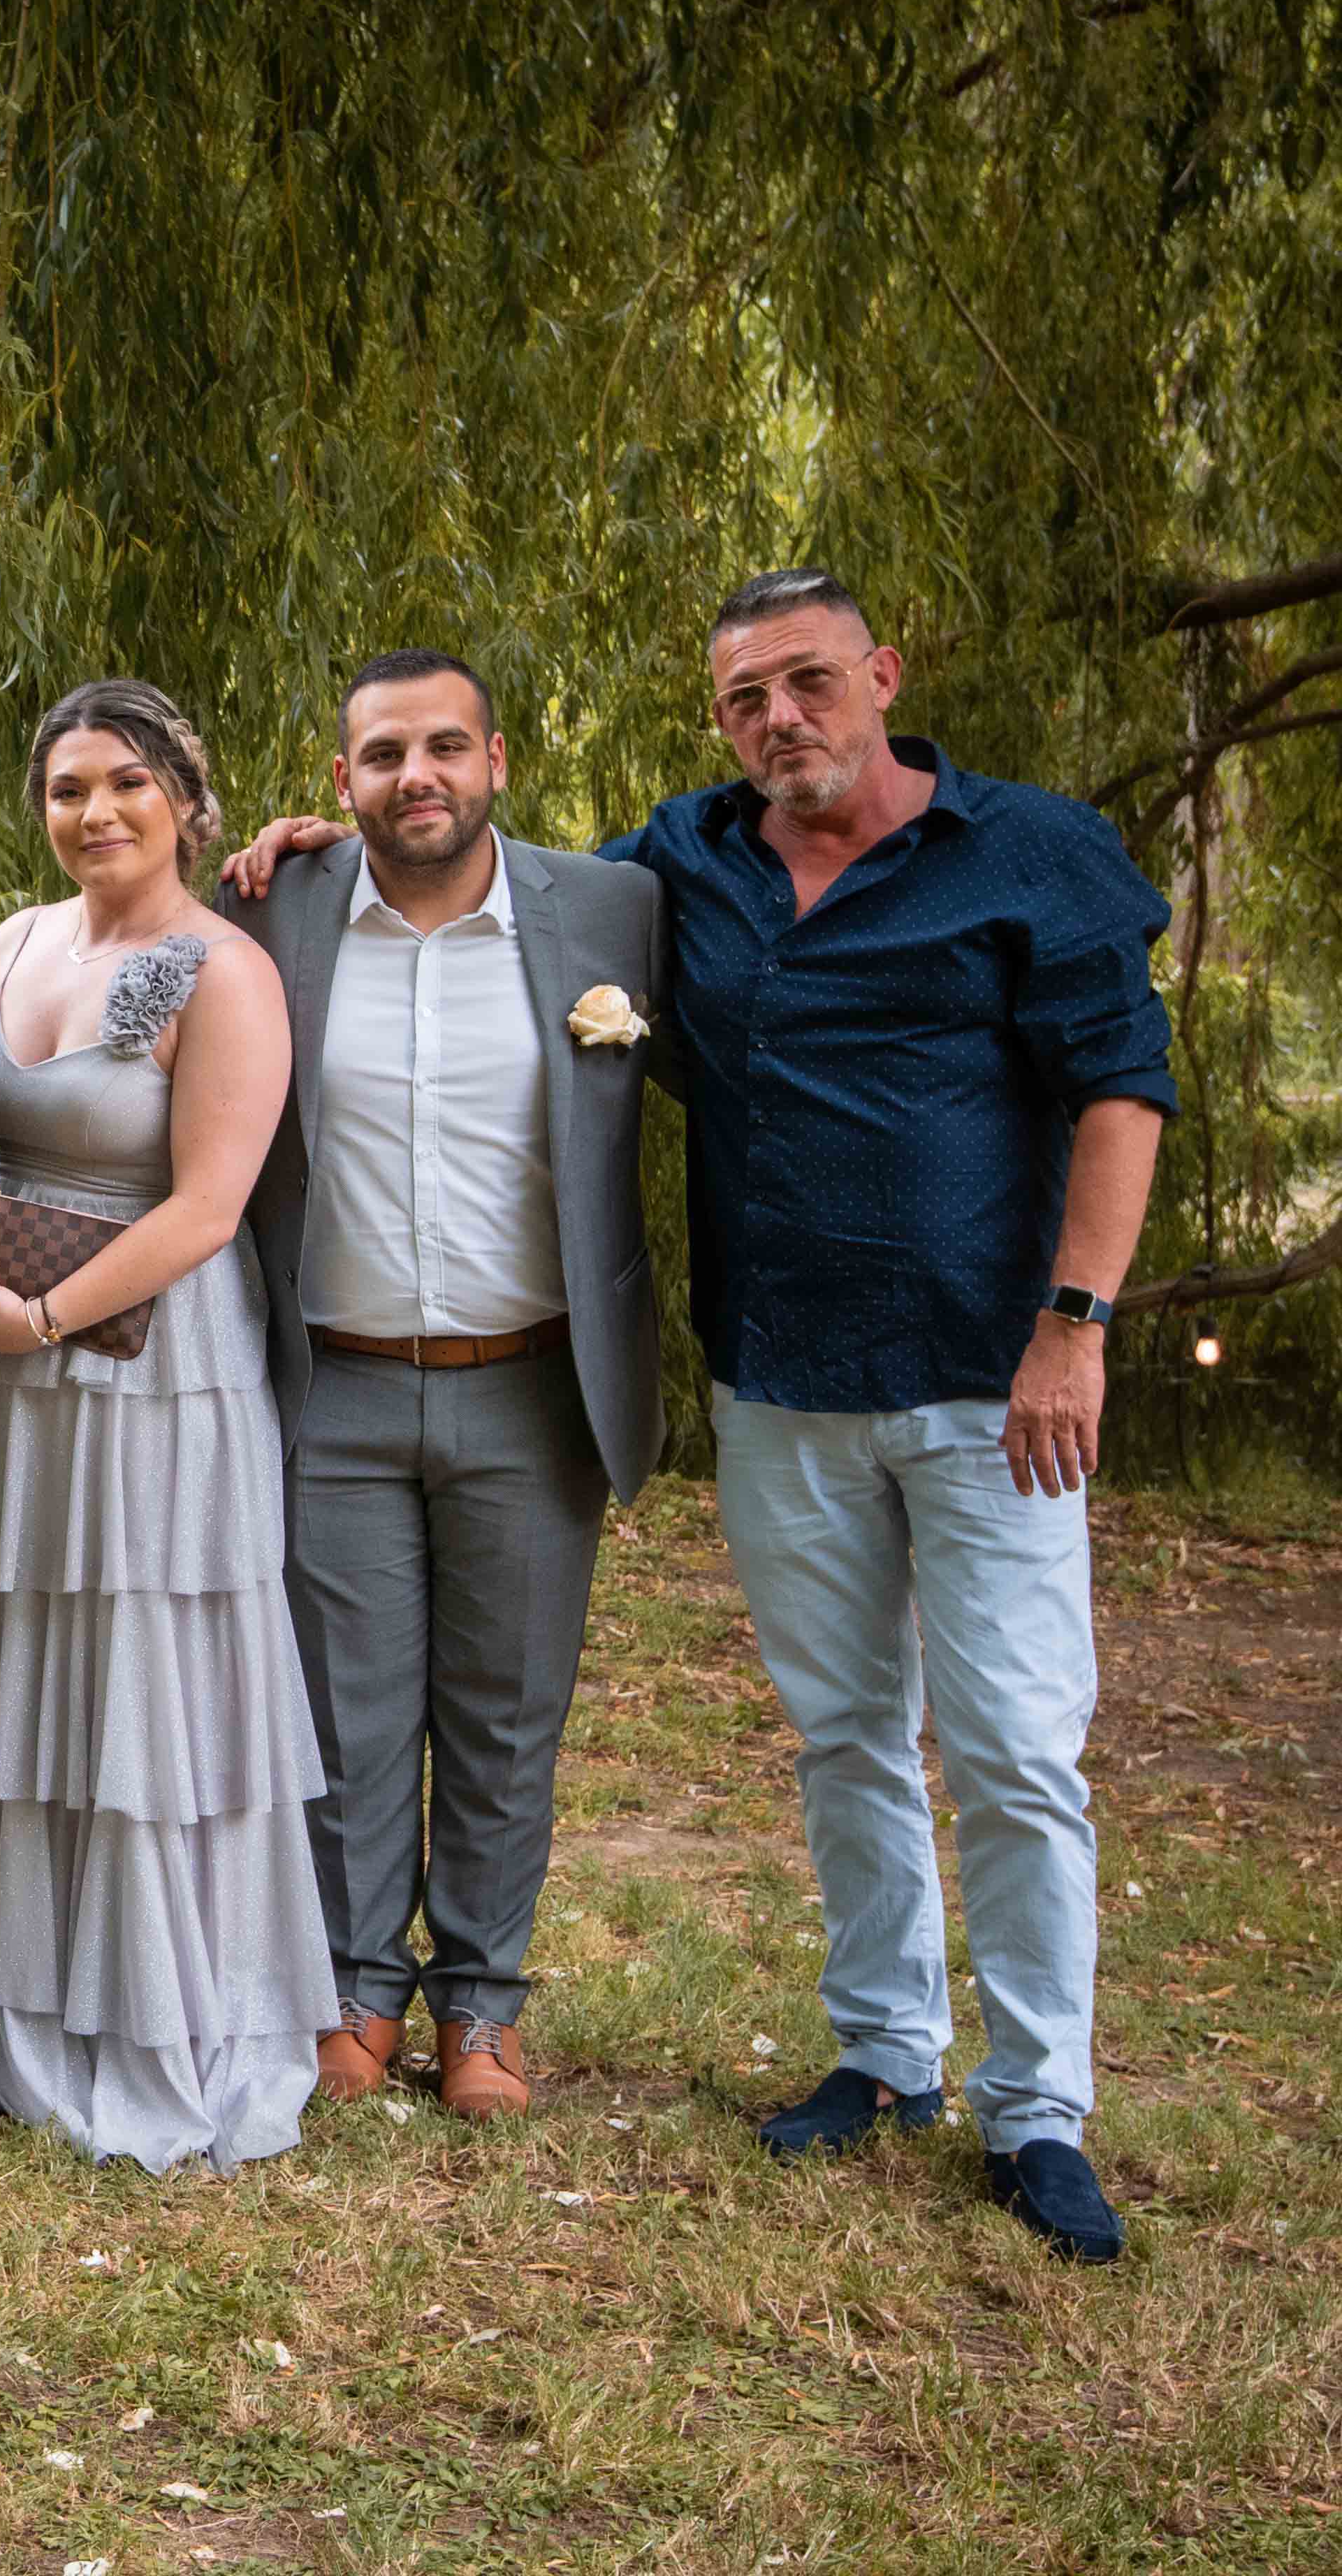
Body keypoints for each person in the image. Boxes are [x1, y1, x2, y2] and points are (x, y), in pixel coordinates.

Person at [228, 570, 1173, 2263]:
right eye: (746, 697)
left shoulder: (1030, 853)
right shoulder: (686, 867)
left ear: (884, 674)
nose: (781, 719)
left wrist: (1076, 1324)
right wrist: (322, 841)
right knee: (846, 1735)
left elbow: (1122, 1082)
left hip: (990, 1381)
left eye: (810, 682)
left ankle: (1038, 2106)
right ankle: (885, 2054)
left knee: (1019, 1751)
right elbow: (468, 866)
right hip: (781, 1380)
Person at [0, 680, 327, 2172]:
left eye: (127, 783)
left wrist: (45, 1317)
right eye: (68, 787)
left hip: (141, 1364)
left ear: (187, 800)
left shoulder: (225, 971)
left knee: (124, 1666)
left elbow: (209, 1208)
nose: (95, 811)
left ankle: (133, 2011)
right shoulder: (18, 941)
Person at [211, 650, 666, 2123]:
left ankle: (483, 2006)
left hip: (532, 1381)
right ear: (341, 780)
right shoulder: (270, 913)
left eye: (447, 747)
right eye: (385, 752)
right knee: (343, 1713)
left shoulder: (612, 912)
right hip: (333, 1381)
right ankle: (354, 1990)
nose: (419, 775)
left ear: (498, 760)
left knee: (507, 1710)